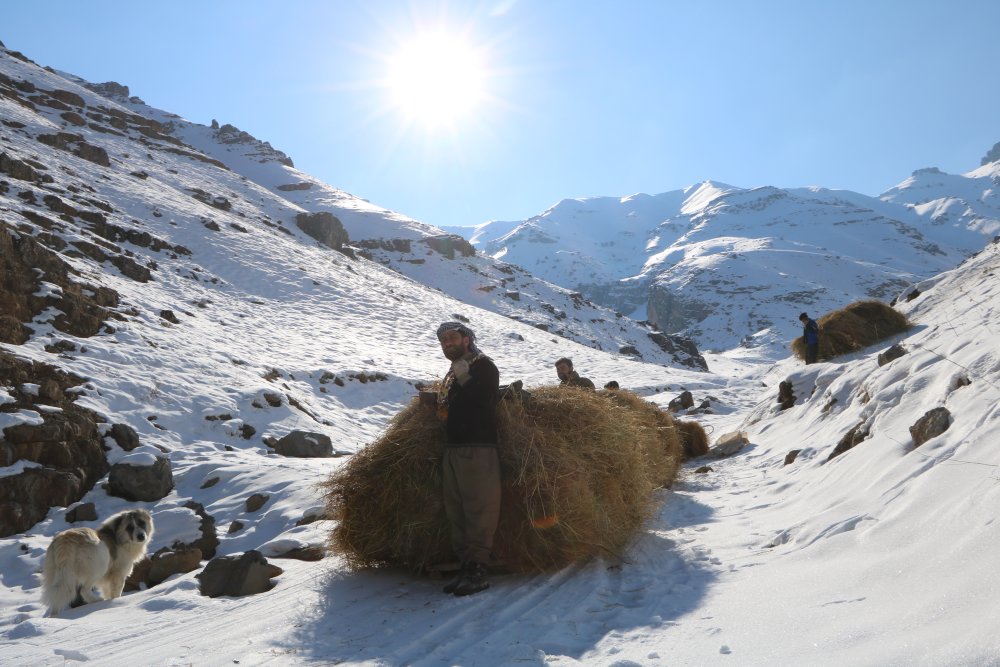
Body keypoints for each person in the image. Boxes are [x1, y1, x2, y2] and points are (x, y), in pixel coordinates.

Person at [435, 321, 501, 596]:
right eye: (443, 340)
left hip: (478, 447)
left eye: (452, 337)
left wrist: (464, 378)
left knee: (479, 508)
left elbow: (484, 399)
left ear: (466, 340)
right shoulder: (453, 372)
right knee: (457, 509)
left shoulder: (483, 366)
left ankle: (478, 569)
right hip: (454, 448)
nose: (447, 342)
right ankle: (465, 565)